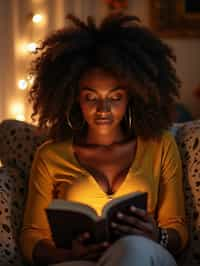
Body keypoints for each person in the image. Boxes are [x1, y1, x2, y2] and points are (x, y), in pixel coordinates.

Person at [20, 12, 188, 266]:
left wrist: (158, 235)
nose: (103, 109)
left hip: (145, 255)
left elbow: (178, 227)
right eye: (91, 97)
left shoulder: (160, 146)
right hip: (80, 261)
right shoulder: (50, 156)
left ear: (132, 96)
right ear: (75, 98)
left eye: (115, 97)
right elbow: (31, 235)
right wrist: (66, 255)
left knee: (133, 248)